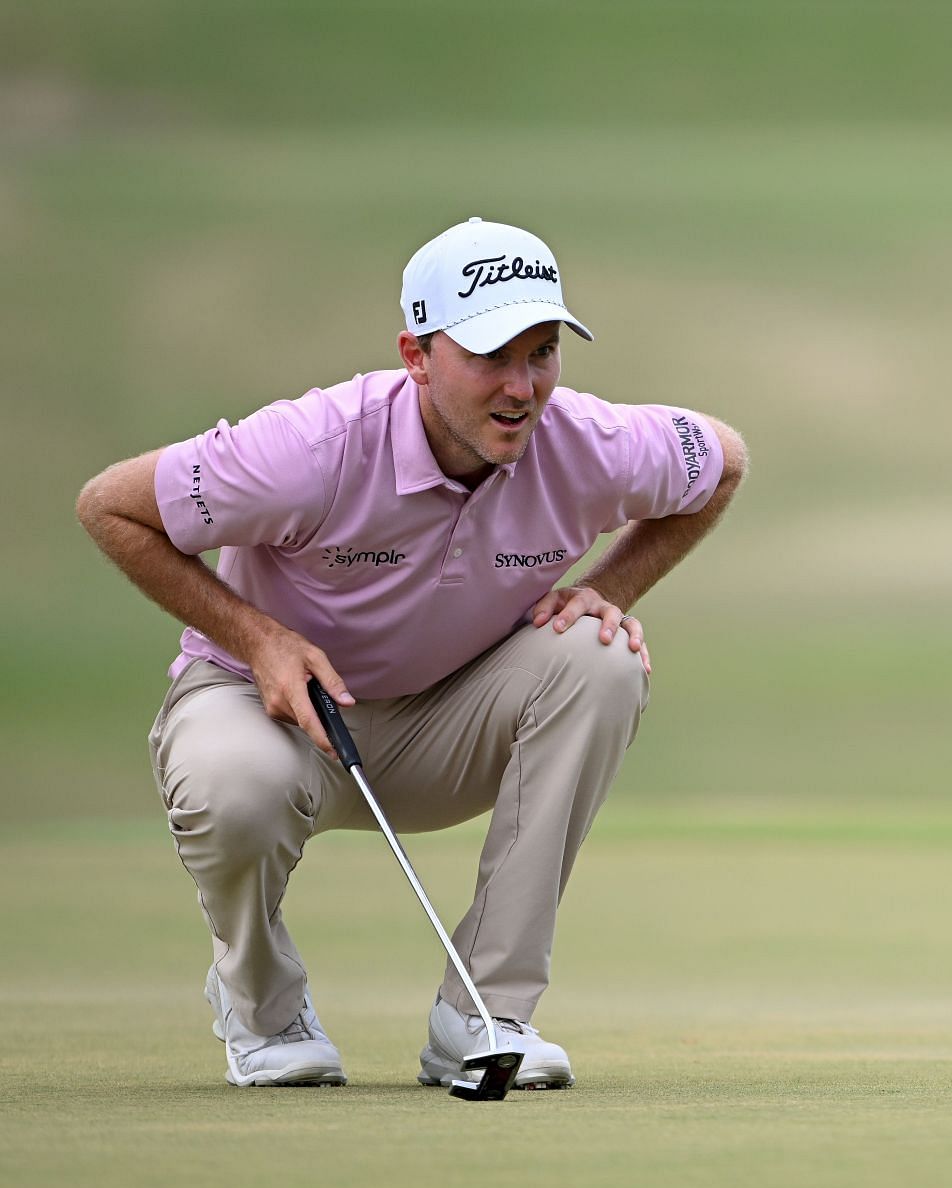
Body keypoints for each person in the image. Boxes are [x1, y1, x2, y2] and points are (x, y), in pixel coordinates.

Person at [75, 217, 747, 1089]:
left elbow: (721, 461)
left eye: (541, 353)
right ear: (417, 354)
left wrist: (608, 592)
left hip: (448, 724)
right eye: (489, 356)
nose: (521, 387)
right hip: (275, 715)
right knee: (231, 782)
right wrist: (260, 638)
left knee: (600, 655)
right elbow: (109, 506)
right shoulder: (306, 449)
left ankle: (484, 1016)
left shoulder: (587, 440)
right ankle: (262, 1010)